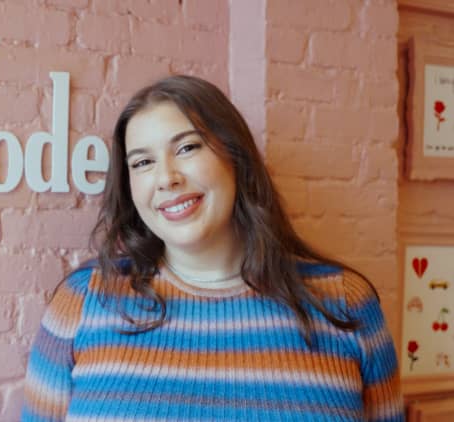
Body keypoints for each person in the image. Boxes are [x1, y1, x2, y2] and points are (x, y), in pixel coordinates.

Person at [20, 75, 404, 421]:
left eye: (187, 148)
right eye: (143, 162)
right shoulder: (85, 302)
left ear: (235, 157)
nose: (166, 178)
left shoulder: (345, 303)